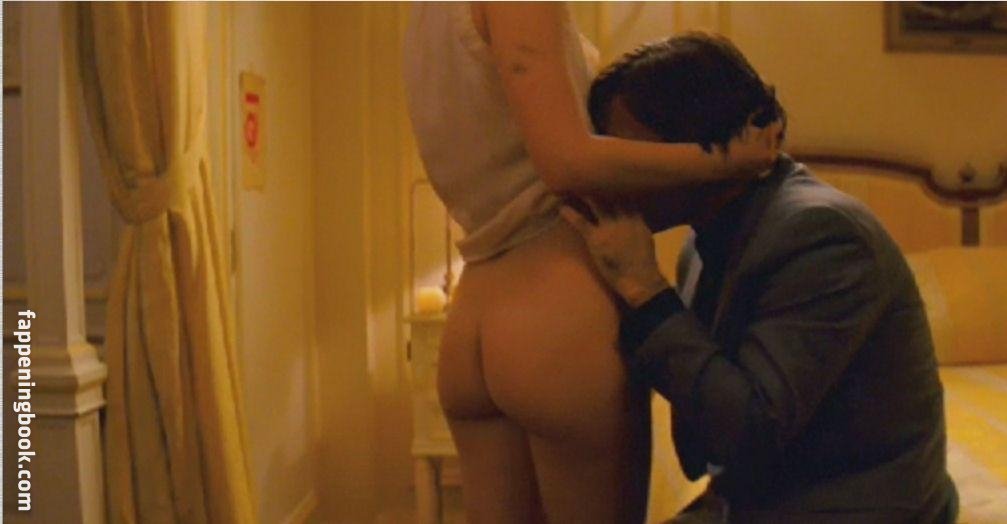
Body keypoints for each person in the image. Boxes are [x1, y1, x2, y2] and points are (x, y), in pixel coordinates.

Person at [403, 4, 781, 523]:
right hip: (555, 306)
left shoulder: (424, 15)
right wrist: (723, 159)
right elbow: (566, 161)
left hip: (474, 313)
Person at [562, 32, 957, 523]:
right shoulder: (703, 245)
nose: (616, 174)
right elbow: (703, 444)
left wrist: (646, 289)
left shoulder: (821, 234)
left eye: (630, 152)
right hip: (759, 502)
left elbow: (748, 429)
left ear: (697, 141)